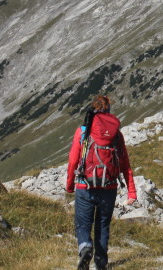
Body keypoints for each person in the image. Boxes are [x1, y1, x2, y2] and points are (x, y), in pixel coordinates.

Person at [66, 95, 137, 270]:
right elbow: (124, 164)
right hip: (109, 187)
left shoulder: (83, 131)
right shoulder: (117, 135)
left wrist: (69, 185)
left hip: (85, 186)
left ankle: (85, 246)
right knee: (103, 225)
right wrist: (132, 192)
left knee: (83, 224)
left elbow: (73, 161)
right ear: (108, 111)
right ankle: (101, 263)